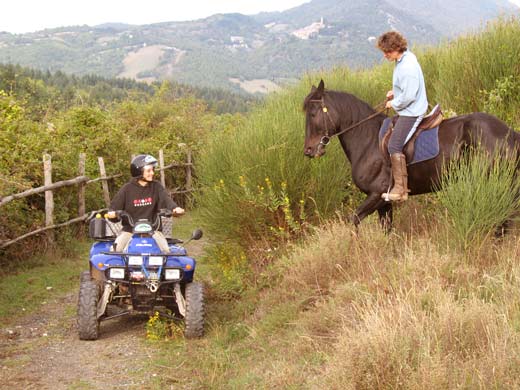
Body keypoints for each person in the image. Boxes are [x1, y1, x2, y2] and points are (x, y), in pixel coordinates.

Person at [377, 31, 428, 202]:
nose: (385, 55)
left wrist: (394, 103)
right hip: (408, 107)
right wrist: (395, 92)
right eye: (384, 52)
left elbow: (409, 96)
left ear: (397, 48)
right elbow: (406, 88)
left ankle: (400, 189)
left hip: (412, 111)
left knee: (394, 145)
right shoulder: (404, 58)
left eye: (388, 52)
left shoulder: (407, 67)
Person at [107, 154, 185, 253]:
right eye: (148, 170)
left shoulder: (156, 187)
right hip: (129, 231)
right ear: (139, 172)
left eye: (153, 170)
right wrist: (113, 214)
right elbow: (113, 209)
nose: (152, 173)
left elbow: (166, 199)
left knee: (166, 252)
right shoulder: (126, 189)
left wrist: (175, 208)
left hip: (153, 231)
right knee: (115, 251)